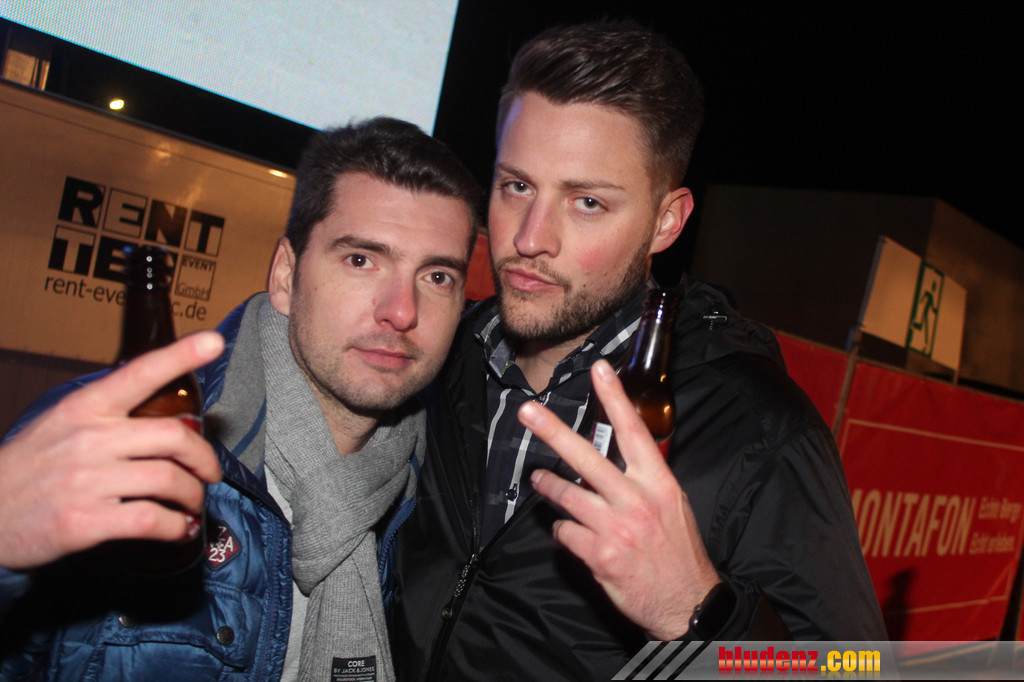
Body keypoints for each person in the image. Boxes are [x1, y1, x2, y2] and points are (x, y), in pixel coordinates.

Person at [391, 21, 887, 681]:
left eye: (587, 202)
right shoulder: (441, 353)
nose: (530, 238)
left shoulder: (758, 431)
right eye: (517, 187)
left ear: (665, 222)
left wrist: (697, 613)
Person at [0, 117, 482, 681]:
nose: (401, 311)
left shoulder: (449, 493)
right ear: (285, 276)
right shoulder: (114, 443)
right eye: (361, 260)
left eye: (437, 277)